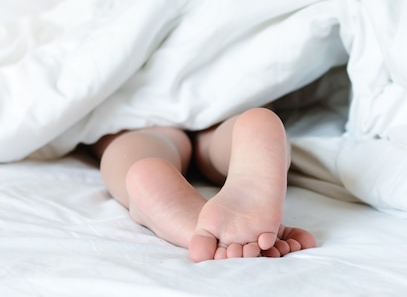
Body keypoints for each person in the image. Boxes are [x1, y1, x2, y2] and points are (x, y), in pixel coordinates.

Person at [89, 107, 317, 262]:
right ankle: (249, 135)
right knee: (225, 138)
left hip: (141, 114)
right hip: (221, 104)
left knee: (129, 149)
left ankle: (143, 190)